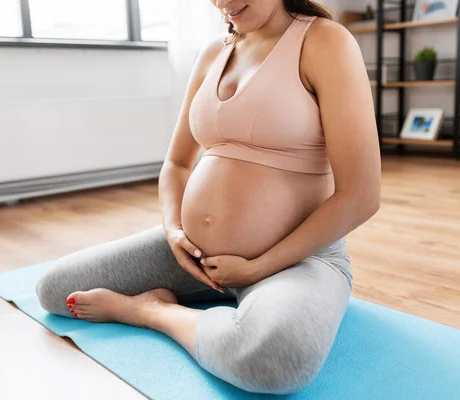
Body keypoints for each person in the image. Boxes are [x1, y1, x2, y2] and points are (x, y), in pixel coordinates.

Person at [35, 0, 381, 394]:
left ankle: (154, 312)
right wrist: (174, 232)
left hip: (298, 259)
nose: (222, 3)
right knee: (54, 289)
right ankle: (200, 302)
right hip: (195, 257)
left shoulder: (324, 42)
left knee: (273, 359)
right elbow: (177, 164)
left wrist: (256, 268)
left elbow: (361, 195)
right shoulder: (214, 53)